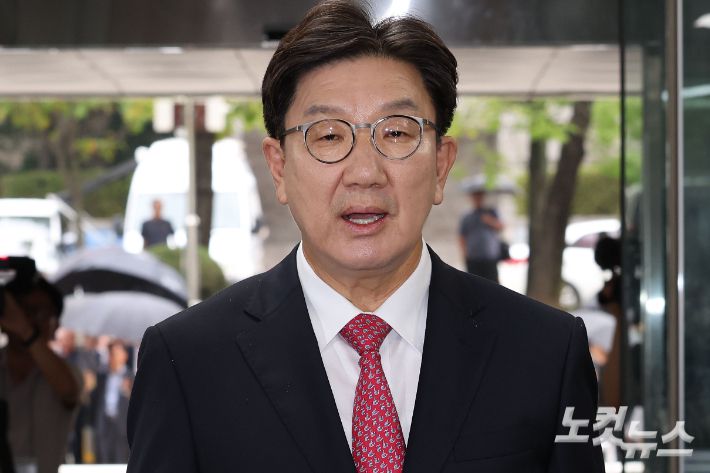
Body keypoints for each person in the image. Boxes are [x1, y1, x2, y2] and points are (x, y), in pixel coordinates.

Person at [127, 1, 604, 472]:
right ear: (279, 168)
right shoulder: (188, 359)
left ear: (441, 166)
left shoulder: (545, 350)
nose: (364, 173)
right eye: (328, 136)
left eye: (396, 133)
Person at [0, 278, 82, 473]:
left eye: (41, 313)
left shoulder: (65, 373)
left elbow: (69, 391)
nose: (28, 320)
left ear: (56, 325)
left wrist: (27, 333)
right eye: (22, 311)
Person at [93, 340, 131, 464]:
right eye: (111, 353)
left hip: (121, 426)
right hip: (104, 424)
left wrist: (128, 392)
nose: (112, 357)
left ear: (124, 355)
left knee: (120, 461)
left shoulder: (131, 377)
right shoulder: (102, 375)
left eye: (116, 353)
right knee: (103, 460)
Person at [458, 189, 505, 282]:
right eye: (475, 196)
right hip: (473, 258)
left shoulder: (491, 212)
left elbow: (501, 227)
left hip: (489, 258)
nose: (478, 199)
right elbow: (462, 237)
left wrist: (489, 220)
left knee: (492, 283)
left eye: (479, 196)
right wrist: (464, 255)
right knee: (474, 284)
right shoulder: (467, 217)